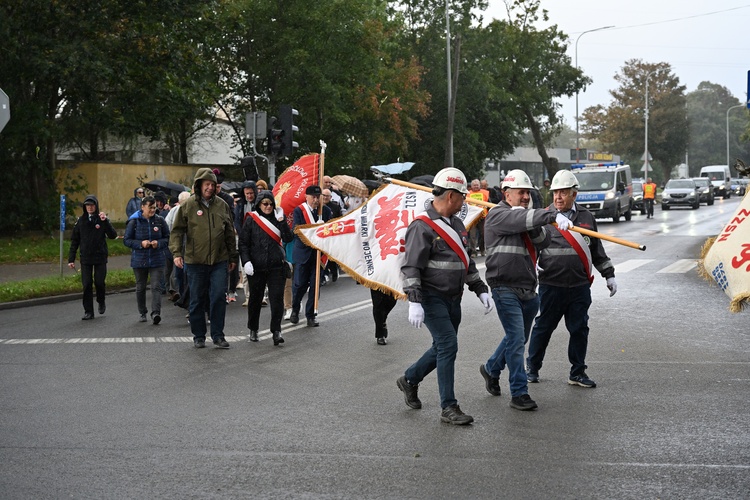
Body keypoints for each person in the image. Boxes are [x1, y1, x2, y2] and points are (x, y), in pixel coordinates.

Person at [396, 167, 492, 426]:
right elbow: (411, 266)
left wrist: (480, 289)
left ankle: (409, 379)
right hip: (430, 298)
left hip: (453, 298)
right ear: (450, 196)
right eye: (463, 197)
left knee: (441, 348)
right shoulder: (422, 227)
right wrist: (414, 300)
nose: (465, 202)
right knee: (449, 345)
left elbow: (465, 262)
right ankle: (449, 406)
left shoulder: (457, 224)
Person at [480, 169, 571, 411]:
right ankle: (519, 392)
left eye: (528, 193)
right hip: (504, 286)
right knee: (517, 339)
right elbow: (520, 221)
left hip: (529, 288)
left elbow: (544, 240)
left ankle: (491, 368)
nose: (525, 197)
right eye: (521, 193)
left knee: (515, 338)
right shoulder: (497, 215)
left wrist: (538, 220)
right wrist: (550, 214)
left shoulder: (525, 215)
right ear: (506, 194)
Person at [526, 170, 617, 388]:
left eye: (563, 193)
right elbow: (530, 248)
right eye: (555, 193)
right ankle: (532, 368)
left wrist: (609, 275)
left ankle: (577, 372)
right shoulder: (543, 216)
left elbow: (597, 251)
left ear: (574, 194)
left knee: (579, 329)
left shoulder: (586, 217)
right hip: (551, 285)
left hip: (579, 286)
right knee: (543, 327)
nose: (558, 197)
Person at [169, 168, 238, 349]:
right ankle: (198, 335)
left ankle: (218, 335)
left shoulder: (222, 205)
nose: (209, 188)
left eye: (212, 184)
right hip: (195, 261)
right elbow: (176, 232)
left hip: (219, 260)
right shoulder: (188, 206)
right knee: (197, 299)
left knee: (217, 297)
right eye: (206, 184)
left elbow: (229, 233)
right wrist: (177, 253)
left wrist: (233, 256)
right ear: (198, 185)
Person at [238, 190, 294, 345]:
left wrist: (282, 220)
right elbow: (243, 243)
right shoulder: (251, 220)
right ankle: (253, 328)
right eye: (265, 204)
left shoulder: (278, 219)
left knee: (277, 300)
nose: (268, 207)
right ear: (259, 204)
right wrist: (246, 261)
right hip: (256, 267)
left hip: (276, 267)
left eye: (271, 204)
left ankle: (276, 331)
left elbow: (288, 238)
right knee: (255, 300)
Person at [68, 195, 118, 320]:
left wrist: (105, 221)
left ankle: (101, 300)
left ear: (96, 206)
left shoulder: (101, 220)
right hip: (86, 258)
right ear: (85, 207)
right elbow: (75, 241)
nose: (90, 207)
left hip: (100, 256)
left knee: (99, 282)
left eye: (92, 205)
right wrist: (71, 259)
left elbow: (113, 235)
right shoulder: (81, 221)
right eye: (87, 205)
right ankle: (88, 311)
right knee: (87, 284)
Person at [290, 185, 332, 327]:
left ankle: (311, 315)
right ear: (306, 197)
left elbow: (331, 231)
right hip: (303, 253)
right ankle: (295, 309)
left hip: (319, 255)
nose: (315, 200)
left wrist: (324, 228)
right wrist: (314, 230)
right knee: (300, 284)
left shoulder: (325, 211)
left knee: (315, 287)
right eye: (313, 197)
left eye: (318, 196)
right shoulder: (299, 211)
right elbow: (297, 230)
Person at [123, 196, 170, 324]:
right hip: (139, 260)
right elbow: (126, 240)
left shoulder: (160, 221)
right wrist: (140, 244)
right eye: (150, 207)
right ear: (143, 207)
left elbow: (167, 238)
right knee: (140, 287)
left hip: (157, 259)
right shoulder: (134, 222)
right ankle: (142, 312)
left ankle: (156, 313)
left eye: (154, 207)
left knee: (156, 286)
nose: (153, 210)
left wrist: (158, 243)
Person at [321, 188, 342, 283]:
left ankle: (334, 271)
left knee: (331, 256)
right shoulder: (318, 206)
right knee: (321, 255)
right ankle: (323, 275)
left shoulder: (335, 207)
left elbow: (339, 219)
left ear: (331, 197)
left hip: (332, 234)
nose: (325, 197)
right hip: (321, 234)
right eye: (324, 195)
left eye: (327, 196)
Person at [467, 179, 489, 256]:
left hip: (482, 216)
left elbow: (489, 203)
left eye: (477, 185)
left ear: (480, 185)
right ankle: (473, 251)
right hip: (472, 217)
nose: (476, 186)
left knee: (483, 234)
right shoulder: (468, 194)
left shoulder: (485, 193)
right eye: (474, 185)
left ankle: (482, 249)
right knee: (472, 235)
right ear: (471, 186)